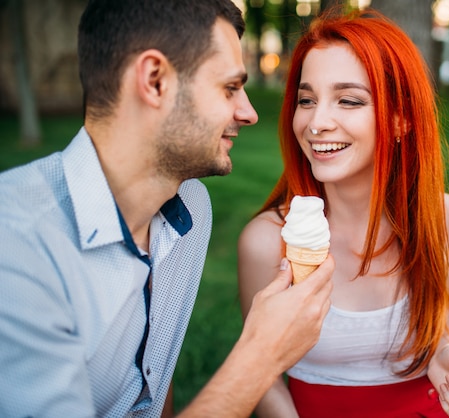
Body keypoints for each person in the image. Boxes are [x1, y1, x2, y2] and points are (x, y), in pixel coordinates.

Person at [0, 1, 334, 417]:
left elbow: (154, 386)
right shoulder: (16, 246)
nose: (248, 113)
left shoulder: (190, 210)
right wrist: (262, 355)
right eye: (230, 88)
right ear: (155, 80)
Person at [238, 9, 449, 418]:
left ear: (401, 118)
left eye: (349, 100)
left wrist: (446, 358)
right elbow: (259, 375)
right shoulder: (267, 240)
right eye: (307, 100)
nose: (316, 122)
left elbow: (448, 333)